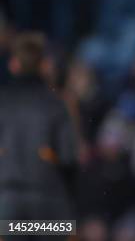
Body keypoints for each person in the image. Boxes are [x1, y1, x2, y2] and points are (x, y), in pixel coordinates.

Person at [0, 32, 77, 239]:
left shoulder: (3, 102)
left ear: (13, 64)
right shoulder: (56, 105)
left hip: (8, 207)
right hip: (50, 204)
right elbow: (69, 158)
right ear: (44, 65)